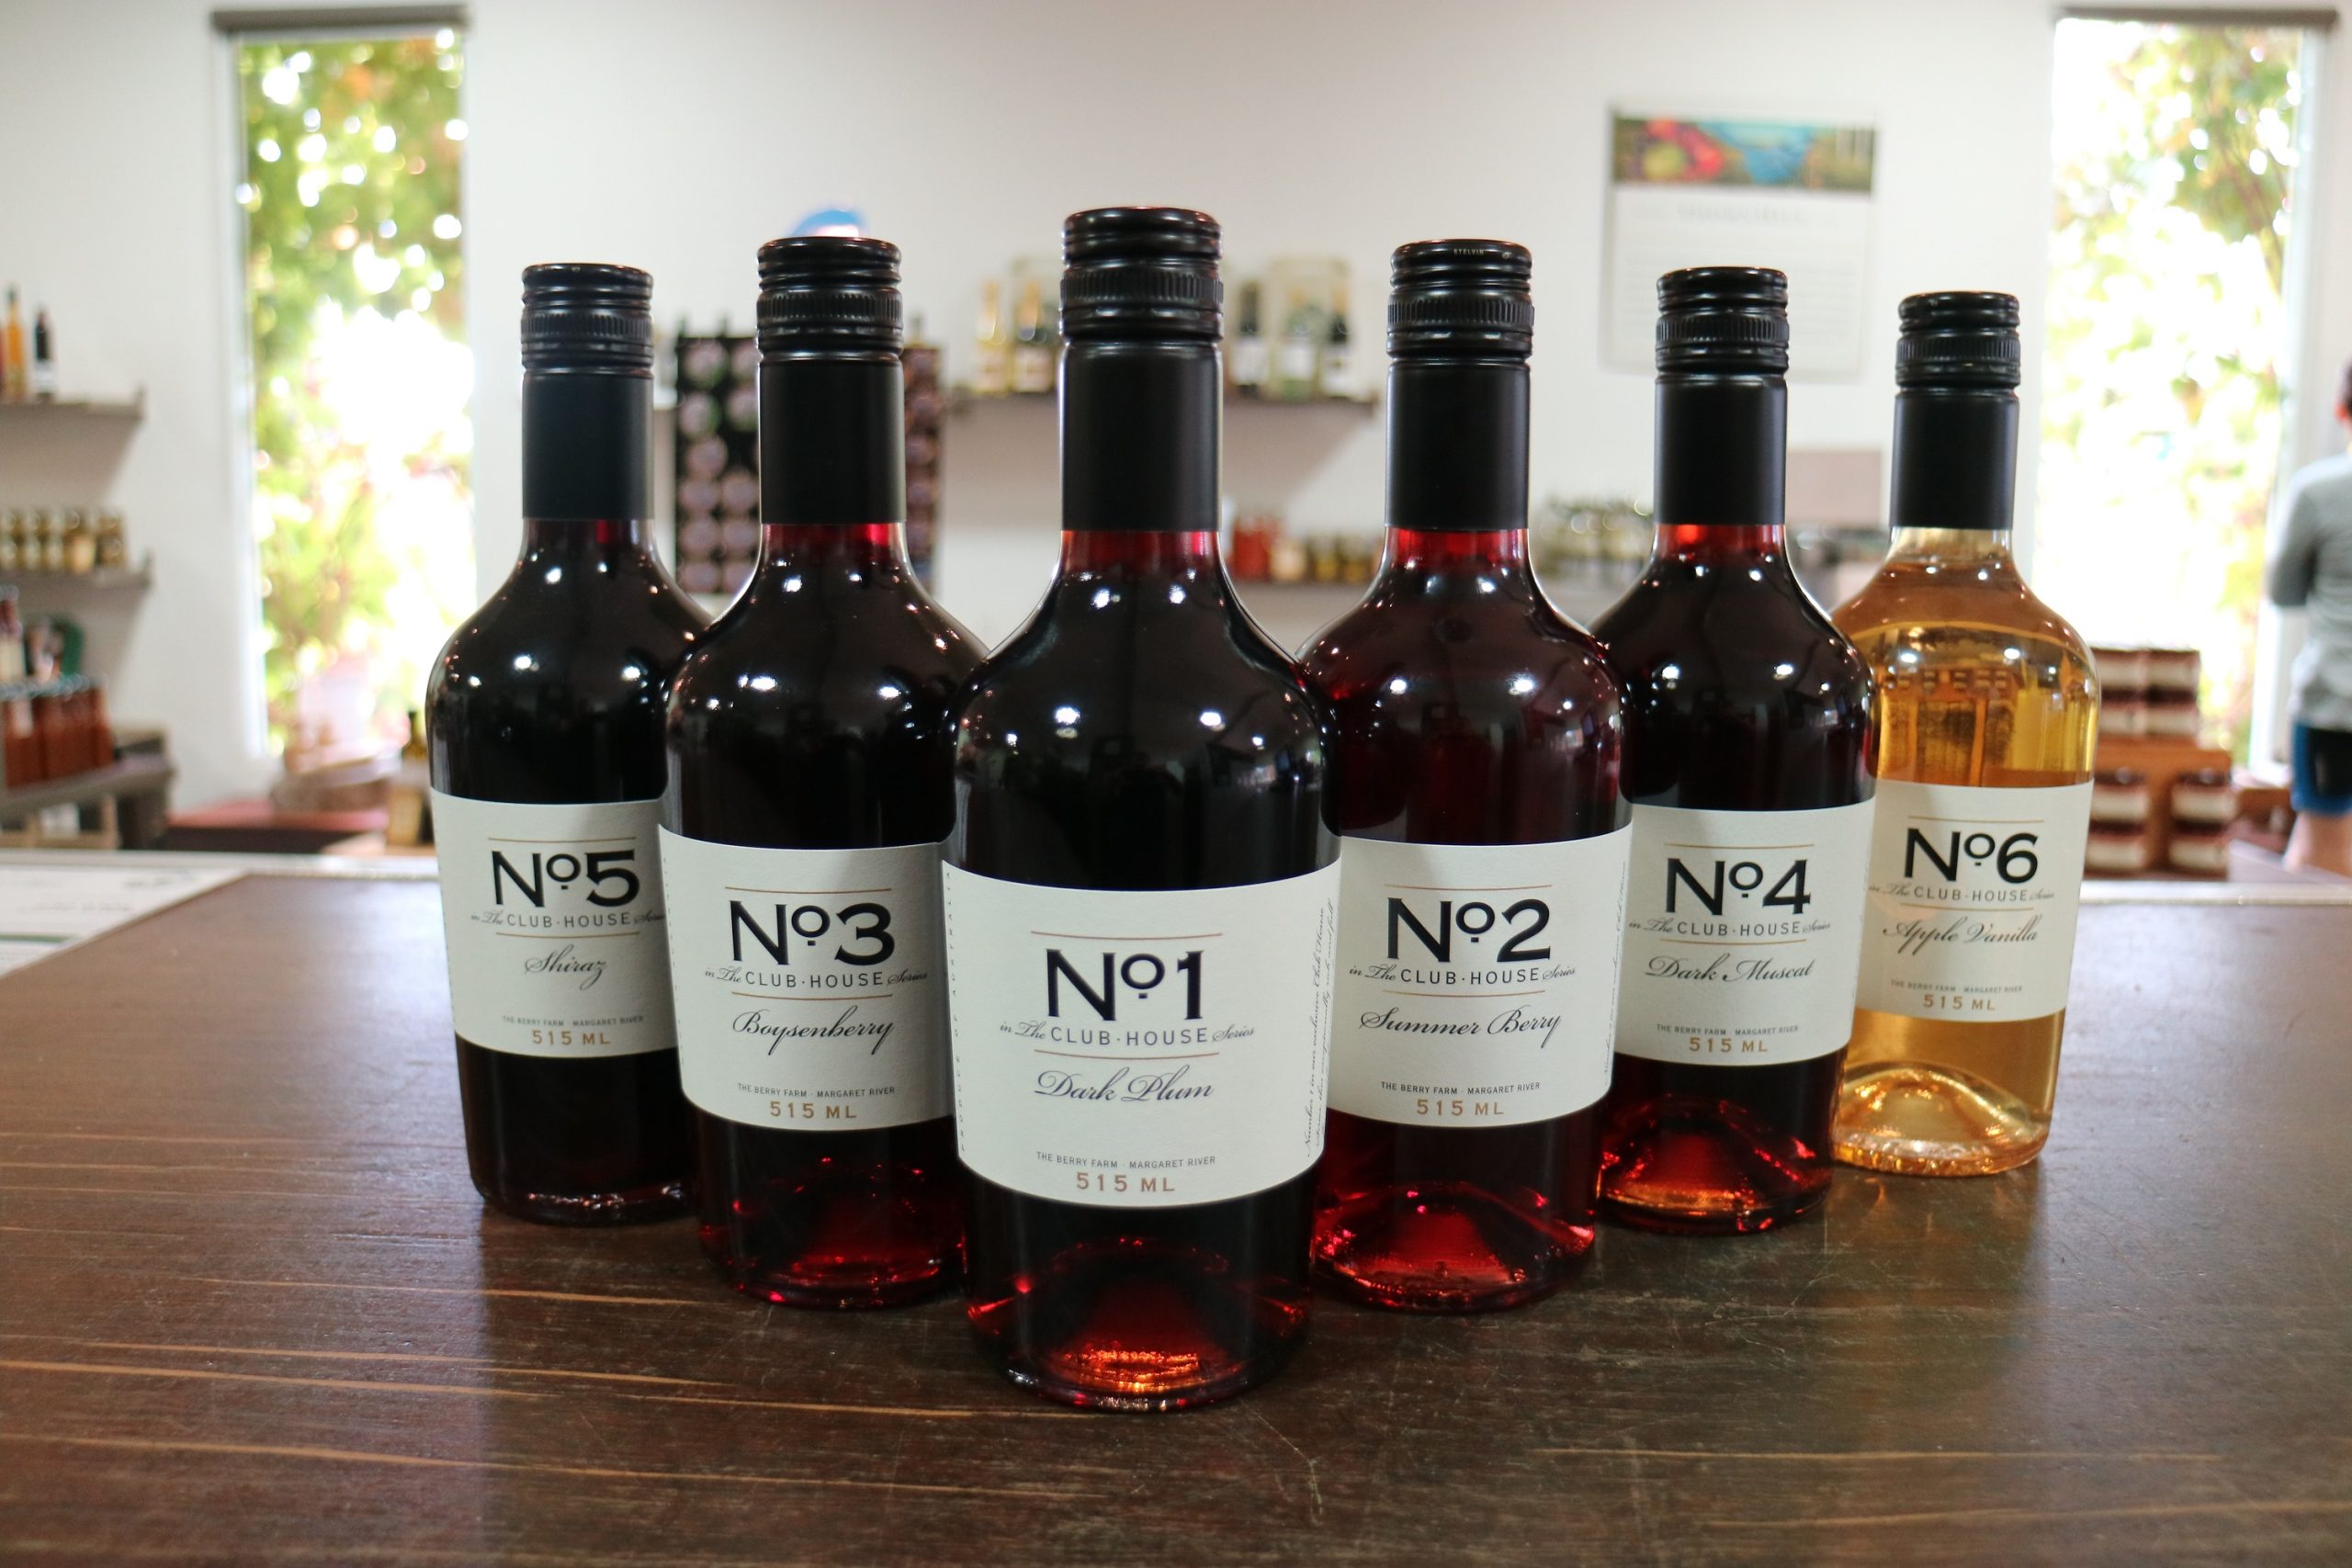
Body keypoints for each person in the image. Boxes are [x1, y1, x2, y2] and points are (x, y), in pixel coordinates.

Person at [2267, 357, 2352, 876]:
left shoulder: (2318, 491)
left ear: (2342, 409)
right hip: (2333, 705)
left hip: (2334, 703)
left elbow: (2283, 591)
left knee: (2322, 854)